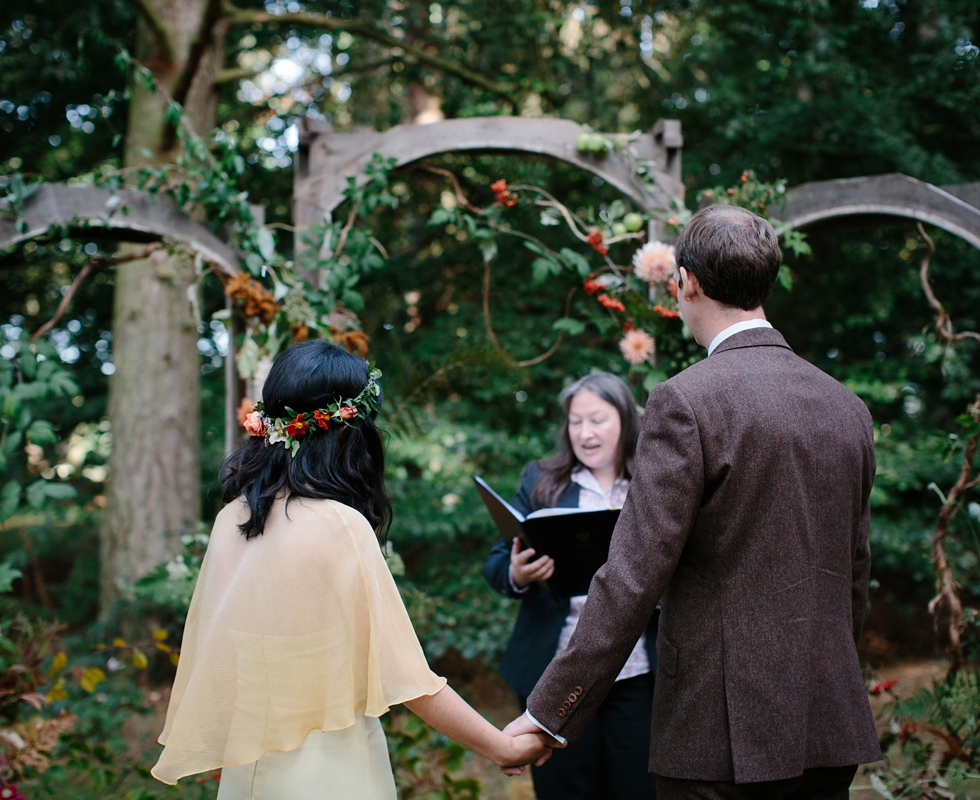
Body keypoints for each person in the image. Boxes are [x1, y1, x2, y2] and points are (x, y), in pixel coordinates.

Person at [505, 205, 882, 800]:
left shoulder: (684, 401)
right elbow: (854, 574)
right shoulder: (846, 407)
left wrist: (551, 710)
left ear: (687, 282)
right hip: (827, 718)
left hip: (718, 733)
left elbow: (634, 574)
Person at [152, 340, 552, 799]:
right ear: (350, 432)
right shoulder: (341, 525)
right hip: (332, 774)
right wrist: (500, 746)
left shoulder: (234, 520)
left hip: (249, 775)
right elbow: (409, 680)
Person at [484, 372, 657, 800]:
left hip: (638, 673)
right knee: (565, 790)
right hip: (557, 675)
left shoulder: (653, 483)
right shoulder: (542, 481)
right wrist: (518, 573)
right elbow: (496, 563)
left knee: (638, 788)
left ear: (625, 421)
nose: (585, 433)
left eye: (597, 420)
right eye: (575, 422)